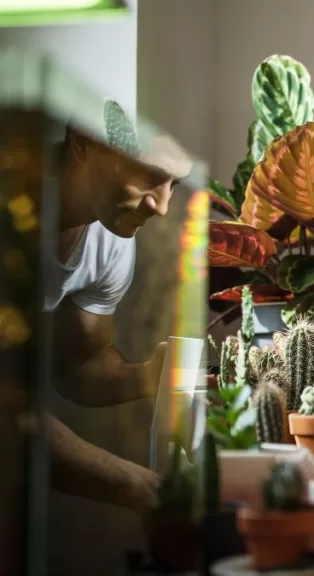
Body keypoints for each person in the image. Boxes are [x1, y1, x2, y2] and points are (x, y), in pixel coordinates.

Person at [45, 114, 193, 515]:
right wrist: (139, 487)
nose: (162, 207)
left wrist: (149, 376)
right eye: (150, 175)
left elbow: (78, 365)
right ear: (83, 142)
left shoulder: (109, 242)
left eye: (174, 184)